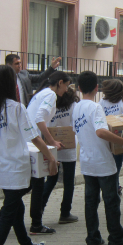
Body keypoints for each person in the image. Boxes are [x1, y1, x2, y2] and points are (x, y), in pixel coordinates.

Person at [0, 64, 58, 245]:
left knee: (16, 208)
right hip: (15, 168)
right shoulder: (16, 108)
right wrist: (50, 157)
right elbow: (33, 137)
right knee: (8, 213)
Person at [72, 71, 123, 245]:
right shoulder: (95, 108)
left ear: (79, 88)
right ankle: (116, 240)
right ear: (96, 88)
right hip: (102, 162)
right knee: (111, 201)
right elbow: (101, 132)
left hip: (87, 162)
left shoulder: (77, 107)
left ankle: (93, 239)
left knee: (91, 202)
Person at [25, 71, 72, 234]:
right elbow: (39, 119)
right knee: (37, 185)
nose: (66, 90)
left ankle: (3, 214)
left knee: (32, 183)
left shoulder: (42, 93)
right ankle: (36, 225)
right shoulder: (51, 95)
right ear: (60, 82)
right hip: (34, 142)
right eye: (66, 85)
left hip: (29, 141)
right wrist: (51, 142)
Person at [41, 85, 79, 224]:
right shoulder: (73, 105)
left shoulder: (50, 105)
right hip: (68, 147)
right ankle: (65, 213)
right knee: (69, 183)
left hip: (52, 146)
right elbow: (76, 123)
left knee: (51, 180)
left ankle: (39, 209)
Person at [99, 79, 123, 194]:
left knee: (110, 166)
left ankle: (114, 186)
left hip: (106, 137)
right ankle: (114, 188)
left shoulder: (102, 102)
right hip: (118, 138)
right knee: (116, 166)